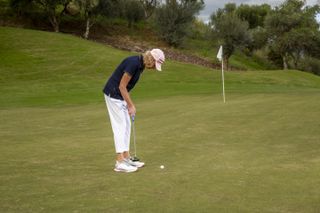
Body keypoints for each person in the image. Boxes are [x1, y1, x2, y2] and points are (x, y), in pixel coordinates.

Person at [103, 49, 165, 173]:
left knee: (126, 125)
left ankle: (126, 157)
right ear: (151, 60)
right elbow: (122, 86)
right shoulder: (133, 63)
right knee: (120, 126)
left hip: (119, 96)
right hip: (113, 94)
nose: (154, 68)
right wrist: (130, 105)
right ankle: (119, 162)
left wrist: (127, 103)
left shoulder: (140, 66)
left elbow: (125, 88)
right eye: (155, 64)